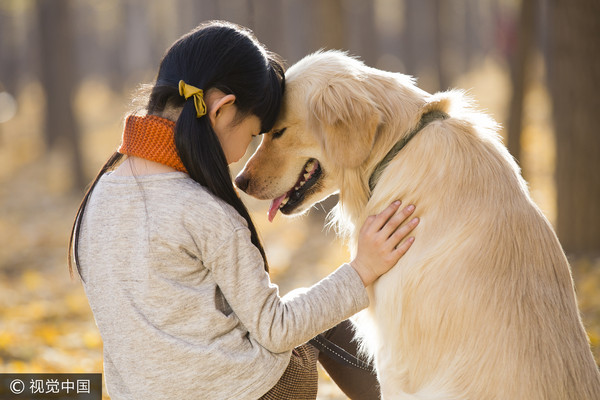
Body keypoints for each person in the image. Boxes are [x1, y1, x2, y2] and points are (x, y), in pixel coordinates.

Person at [68, 21, 419, 400]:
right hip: (256, 393)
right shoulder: (203, 211)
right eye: (252, 136)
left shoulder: (99, 195)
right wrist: (362, 268)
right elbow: (277, 329)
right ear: (221, 110)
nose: (243, 159)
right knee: (317, 316)